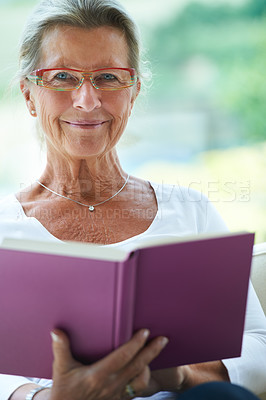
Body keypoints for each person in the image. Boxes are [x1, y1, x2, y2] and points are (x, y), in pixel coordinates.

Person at [0, 0, 265, 399]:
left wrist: (182, 375)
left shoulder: (189, 210)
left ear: (134, 91)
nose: (87, 100)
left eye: (108, 76)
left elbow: (259, 347)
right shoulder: (5, 228)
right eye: (61, 76)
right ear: (28, 94)